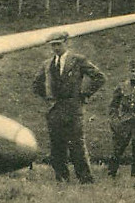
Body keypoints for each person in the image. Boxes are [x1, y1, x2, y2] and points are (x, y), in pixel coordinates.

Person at [32, 31, 106, 183]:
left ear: (67, 43)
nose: (56, 48)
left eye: (59, 44)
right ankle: (62, 178)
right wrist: (48, 97)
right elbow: (36, 84)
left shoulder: (78, 60)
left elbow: (99, 77)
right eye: (53, 45)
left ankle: (85, 179)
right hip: (54, 109)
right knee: (57, 147)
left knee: (77, 146)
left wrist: (84, 94)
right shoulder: (47, 64)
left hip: (73, 109)